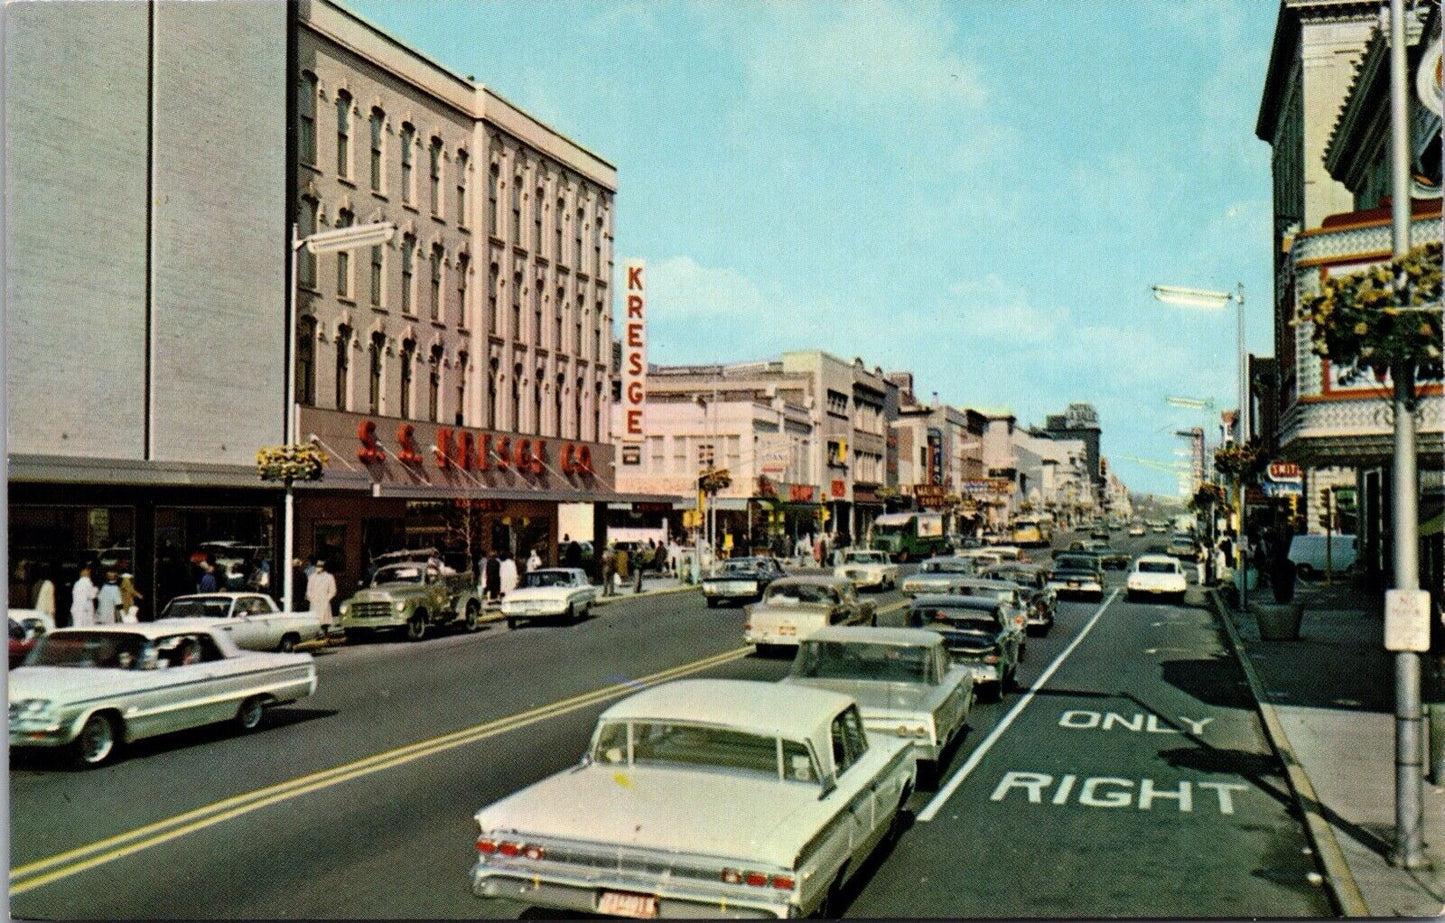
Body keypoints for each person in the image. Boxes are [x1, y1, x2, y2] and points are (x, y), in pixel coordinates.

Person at [306, 559, 338, 638]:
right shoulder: (312, 577)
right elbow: (309, 590)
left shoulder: (329, 577)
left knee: (324, 620)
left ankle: (325, 634)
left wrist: (327, 598)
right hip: (314, 601)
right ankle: (314, 634)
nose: (318, 568)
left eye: (320, 566)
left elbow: (333, 590)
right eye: (317, 566)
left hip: (324, 601)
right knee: (315, 619)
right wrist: (311, 598)